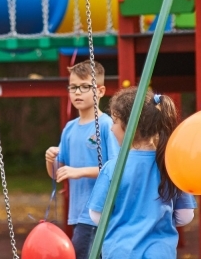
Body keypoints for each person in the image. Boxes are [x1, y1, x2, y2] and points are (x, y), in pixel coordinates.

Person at [87, 87, 196, 258]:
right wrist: (158, 220)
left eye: (115, 121)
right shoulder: (169, 165)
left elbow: (96, 215)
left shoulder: (112, 168)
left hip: (121, 252)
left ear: (129, 127)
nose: (111, 128)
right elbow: (186, 215)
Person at [44, 61, 120, 259]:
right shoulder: (69, 128)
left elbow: (116, 168)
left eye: (85, 87)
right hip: (78, 214)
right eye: (73, 87)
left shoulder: (105, 124)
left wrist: (79, 171)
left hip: (98, 212)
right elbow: (56, 173)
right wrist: (50, 159)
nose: (78, 92)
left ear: (100, 90)